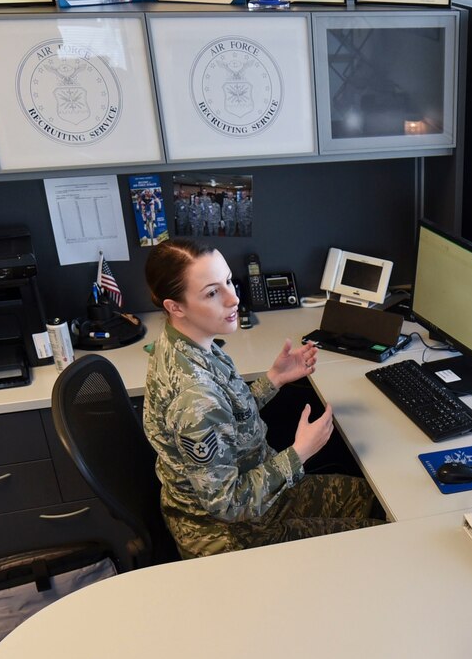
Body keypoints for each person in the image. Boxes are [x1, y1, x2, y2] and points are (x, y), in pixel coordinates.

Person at [142, 238, 379, 558]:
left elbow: (226, 419)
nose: (233, 298)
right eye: (212, 293)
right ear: (175, 306)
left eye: (228, 281)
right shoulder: (195, 399)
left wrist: (273, 380)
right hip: (230, 532)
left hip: (252, 487)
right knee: (377, 538)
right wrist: (300, 452)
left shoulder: (186, 342)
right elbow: (228, 504)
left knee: (362, 497)